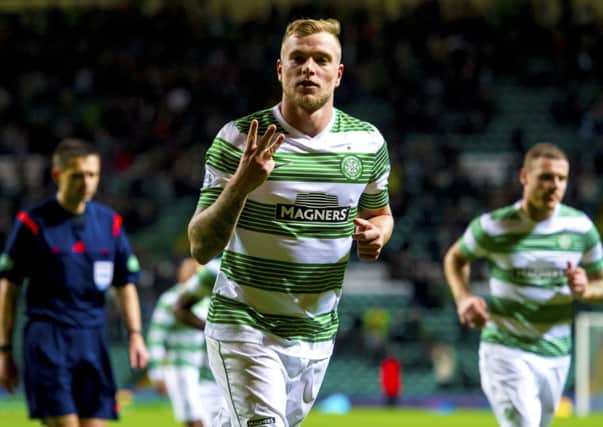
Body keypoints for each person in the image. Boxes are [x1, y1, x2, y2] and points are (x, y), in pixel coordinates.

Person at [187, 18, 393, 427]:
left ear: (338, 73)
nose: (309, 68)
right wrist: (242, 185)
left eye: (321, 59)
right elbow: (200, 246)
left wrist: (378, 234)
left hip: (315, 334)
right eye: (297, 58)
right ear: (281, 70)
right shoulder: (240, 138)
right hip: (245, 325)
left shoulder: (368, 143)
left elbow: (380, 213)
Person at [443, 142, 603, 427]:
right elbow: (455, 258)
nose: (554, 185)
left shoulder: (581, 228)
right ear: (524, 177)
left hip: (556, 353)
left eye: (561, 178)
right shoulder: (494, 226)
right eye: (545, 177)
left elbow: (600, 282)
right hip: (506, 349)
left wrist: (585, 289)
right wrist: (463, 298)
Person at [0, 138, 148, 427]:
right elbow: (9, 288)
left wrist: (135, 334)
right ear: (58, 176)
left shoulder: (110, 223)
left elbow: (125, 284)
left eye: (92, 174)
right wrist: (4, 350)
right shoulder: (32, 223)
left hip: (92, 337)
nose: (87, 182)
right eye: (77, 175)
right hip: (48, 338)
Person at [147, 257, 225, 427]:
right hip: (181, 367)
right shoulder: (170, 299)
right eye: (188, 269)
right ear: (179, 273)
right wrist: (156, 372)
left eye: (196, 269)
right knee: (194, 418)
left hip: (205, 369)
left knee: (212, 418)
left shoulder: (207, 300)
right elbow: (156, 337)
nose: (192, 272)